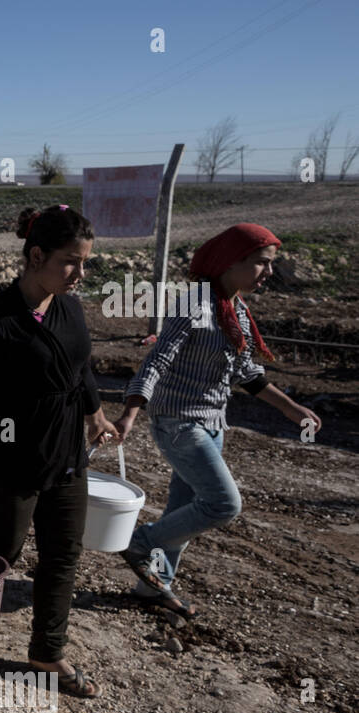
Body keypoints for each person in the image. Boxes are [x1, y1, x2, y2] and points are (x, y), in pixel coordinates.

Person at [114, 223, 322, 617]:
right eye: (262, 263)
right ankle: (138, 542)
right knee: (224, 504)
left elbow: (246, 372)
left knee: (183, 513)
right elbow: (158, 359)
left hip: (212, 424)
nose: (269, 272)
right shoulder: (194, 303)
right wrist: (130, 411)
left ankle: (152, 587)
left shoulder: (237, 311)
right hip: (178, 423)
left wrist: (291, 409)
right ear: (231, 262)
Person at [0, 204, 117, 699]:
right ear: (37, 254)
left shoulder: (70, 308)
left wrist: (95, 414)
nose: (80, 273)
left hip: (67, 454)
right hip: (10, 458)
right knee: (3, 548)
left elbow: (80, 366)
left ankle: (46, 654)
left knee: (63, 555)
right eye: (71, 261)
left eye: (85, 262)